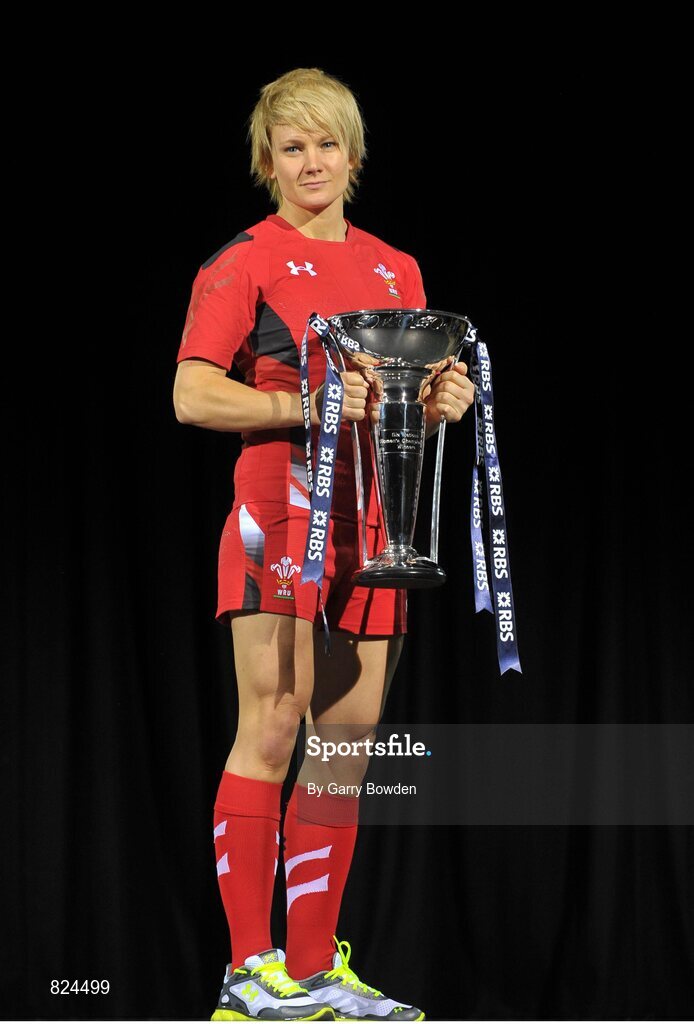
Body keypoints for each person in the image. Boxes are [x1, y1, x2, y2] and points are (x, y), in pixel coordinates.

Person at [173, 67, 475, 1023]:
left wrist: (438, 406)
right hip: (281, 513)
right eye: (291, 146)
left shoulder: (397, 269)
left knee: (345, 743)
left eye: (326, 143)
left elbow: (396, 409)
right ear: (269, 161)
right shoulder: (244, 259)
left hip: (375, 520)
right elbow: (190, 393)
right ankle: (246, 967)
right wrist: (296, 403)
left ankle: (313, 971)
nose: (311, 162)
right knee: (272, 721)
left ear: (353, 152)